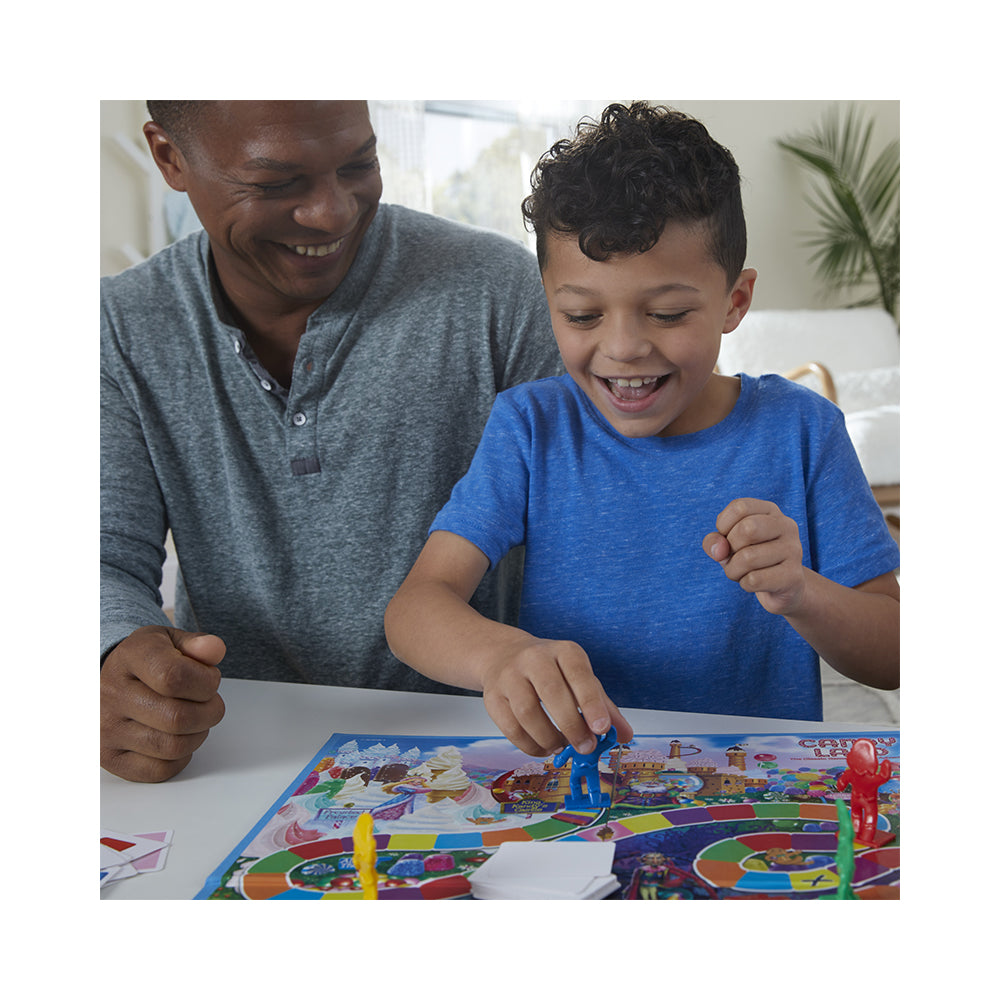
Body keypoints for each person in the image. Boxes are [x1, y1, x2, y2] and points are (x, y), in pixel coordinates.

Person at [384, 102, 900, 760]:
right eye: (582, 315)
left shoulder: (802, 430)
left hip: (752, 791)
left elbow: (895, 653)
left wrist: (801, 590)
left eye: (667, 313)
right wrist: (498, 655)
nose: (624, 347)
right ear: (549, 301)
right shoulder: (531, 428)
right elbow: (414, 608)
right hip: (582, 786)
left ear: (735, 301)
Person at [101, 101, 561, 783]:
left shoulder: (500, 294)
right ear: (170, 157)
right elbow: (102, 559)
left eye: (358, 165)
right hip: (231, 756)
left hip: (488, 754)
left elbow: (599, 520)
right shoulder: (119, 328)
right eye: (276, 182)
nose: (331, 213)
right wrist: (113, 656)